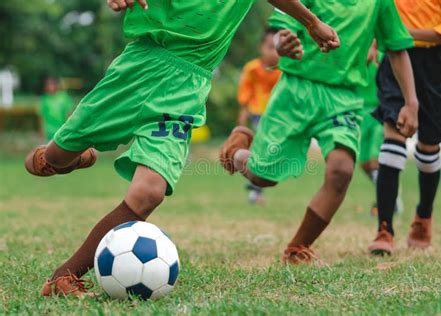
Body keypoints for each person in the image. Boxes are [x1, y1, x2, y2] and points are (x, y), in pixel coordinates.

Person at [24, 0, 340, 297]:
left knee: (149, 192)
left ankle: (65, 276)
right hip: (140, 66)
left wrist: (312, 23)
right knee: (53, 158)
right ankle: (60, 157)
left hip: (186, 88)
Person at [220, 0, 418, 264]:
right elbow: (279, 36)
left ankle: (298, 247)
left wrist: (411, 102)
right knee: (262, 177)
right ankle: (236, 151)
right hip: (295, 91)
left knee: (342, 170)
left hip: (343, 97)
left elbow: (397, 49)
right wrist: (284, 46)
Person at [368, 0, 441, 255]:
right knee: (393, 137)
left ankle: (423, 217)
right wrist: (372, 40)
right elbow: (373, 16)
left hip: (434, 65)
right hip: (394, 60)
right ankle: (385, 229)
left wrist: (401, 32)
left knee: (428, 146)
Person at [237, 27, 282, 204]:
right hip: (258, 114)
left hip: (276, 117)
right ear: (261, 47)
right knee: (262, 149)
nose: (274, 52)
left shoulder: (283, 70)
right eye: (270, 47)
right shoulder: (252, 69)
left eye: (277, 48)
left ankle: (256, 186)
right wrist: (243, 113)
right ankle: (256, 188)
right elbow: (245, 92)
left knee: (268, 153)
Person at [358, 45, 403, 216]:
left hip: (382, 110)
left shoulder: (387, 53)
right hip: (361, 111)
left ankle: (387, 202)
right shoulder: (357, 50)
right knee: (363, 162)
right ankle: (392, 193)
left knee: (376, 158)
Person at [39, 76, 74, 141]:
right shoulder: (44, 99)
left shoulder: (64, 97)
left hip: (61, 130)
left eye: (52, 84)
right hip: (49, 132)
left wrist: (69, 129)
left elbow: (69, 114)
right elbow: (42, 117)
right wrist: (42, 131)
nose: (50, 87)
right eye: (48, 84)